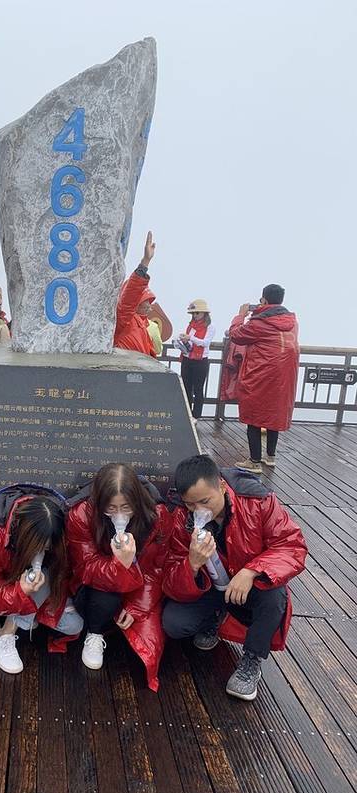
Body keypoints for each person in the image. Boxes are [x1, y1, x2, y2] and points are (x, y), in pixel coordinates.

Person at [162, 454, 307, 701]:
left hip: (249, 586)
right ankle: (214, 618)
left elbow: (292, 546)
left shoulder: (257, 500)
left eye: (205, 501)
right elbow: (170, 579)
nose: (199, 511)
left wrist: (252, 570)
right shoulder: (181, 516)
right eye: (191, 505)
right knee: (174, 624)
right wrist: (192, 565)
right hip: (211, 587)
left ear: (221, 485)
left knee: (275, 596)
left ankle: (251, 660)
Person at [66, 463, 174, 685]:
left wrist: (137, 607)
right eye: (111, 508)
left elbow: (156, 568)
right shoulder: (82, 514)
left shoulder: (157, 515)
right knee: (107, 595)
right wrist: (120, 564)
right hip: (97, 590)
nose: (119, 516)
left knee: (149, 647)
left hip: (140, 587)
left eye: (126, 507)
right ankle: (95, 633)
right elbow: (85, 567)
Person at [0, 486, 83, 674]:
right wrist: (20, 592)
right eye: (37, 546)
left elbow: (65, 573)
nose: (42, 550)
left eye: (47, 546)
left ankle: (28, 615)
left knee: (74, 625)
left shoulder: (59, 528)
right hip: (1, 599)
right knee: (39, 580)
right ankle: (5, 634)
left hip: (41, 592)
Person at [227, 284, 299, 473]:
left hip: (260, 376)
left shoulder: (259, 323)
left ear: (264, 300)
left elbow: (236, 335)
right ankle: (270, 456)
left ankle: (254, 461)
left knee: (254, 417)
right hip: (283, 379)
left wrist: (240, 316)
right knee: (273, 415)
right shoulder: (292, 322)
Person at [113, 231, 160, 358]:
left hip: (140, 367)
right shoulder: (124, 318)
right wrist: (145, 263)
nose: (148, 305)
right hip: (125, 366)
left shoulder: (143, 323)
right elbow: (130, 295)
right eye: (146, 300)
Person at [179, 299, 216, 421]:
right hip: (187, 358)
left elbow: (205, 343)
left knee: (198, 389)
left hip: (200, 361)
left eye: (197, 313)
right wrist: (184, 340)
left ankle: (196, 415)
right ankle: (187, 413)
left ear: (204, 313)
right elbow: (191, 342)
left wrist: (190, 338)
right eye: (193, 313)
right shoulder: (191, 325)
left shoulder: (210, 327)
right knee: (186, 387)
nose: (195, 315)